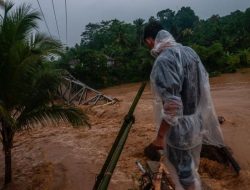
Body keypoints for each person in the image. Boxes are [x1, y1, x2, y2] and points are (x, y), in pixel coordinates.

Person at [143, 21, 225, 190]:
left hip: (180, 129)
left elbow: (173, 105)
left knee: (185, 173)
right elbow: (204, 89)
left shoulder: (164, 61)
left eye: (147, 42)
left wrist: (159, 137)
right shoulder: (190, 52)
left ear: (151, 40)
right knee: (191, 167)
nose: (148, 46)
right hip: (197, 122)